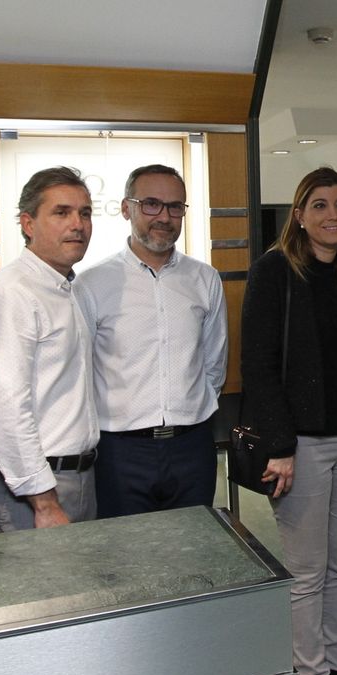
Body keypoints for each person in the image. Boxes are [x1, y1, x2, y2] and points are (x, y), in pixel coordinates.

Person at [241, 167, 337, 675]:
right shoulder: (274, 271)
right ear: (299, 214)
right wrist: (279, 445)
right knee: (308, 572)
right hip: (301, 444)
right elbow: (257, 363)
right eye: (319, 205)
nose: (332, 215)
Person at [80, 164, 227, 516]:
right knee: (126, 561)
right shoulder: (91, 284)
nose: (164, 216)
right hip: (120, 452)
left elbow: (214, 365)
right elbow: (82, 369)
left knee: (192, 556)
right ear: (126, 208)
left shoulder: (204, 279)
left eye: (175, 206)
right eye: (151, 204)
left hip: (192, 447)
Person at [0, 166, 101, 533]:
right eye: (62, 212)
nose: (78, 224)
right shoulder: (9, 293)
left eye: (85, 213)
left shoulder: (70, 288)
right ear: (27, 223)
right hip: (33, 491)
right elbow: (7, 407)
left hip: (79, 478)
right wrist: (44, 500)